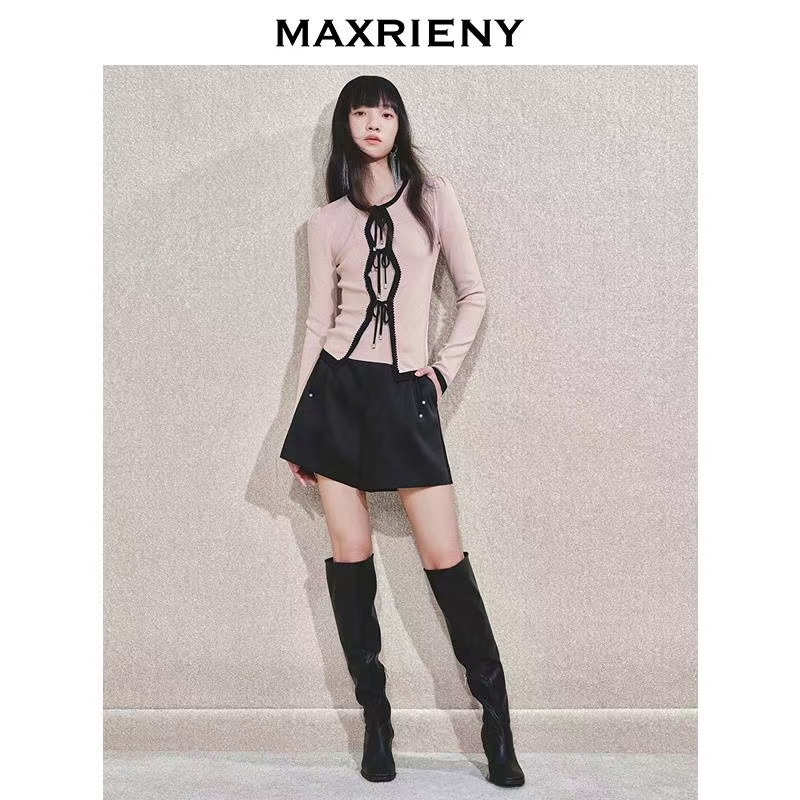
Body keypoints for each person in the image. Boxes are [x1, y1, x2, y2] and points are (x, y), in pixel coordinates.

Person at [279, 75, 525, 788]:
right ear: (346, 127)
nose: (374, 122)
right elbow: (317, 324)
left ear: (399, 123)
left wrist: (440, 375)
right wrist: (301, 422)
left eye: (385, 112)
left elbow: (474, 294)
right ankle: (376, 723)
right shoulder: (325, 223)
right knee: (349, 554)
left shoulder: (432, 198)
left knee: (444, 556)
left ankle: (496, 724)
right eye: (361, 112)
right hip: (337, 396)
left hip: (404, 393)